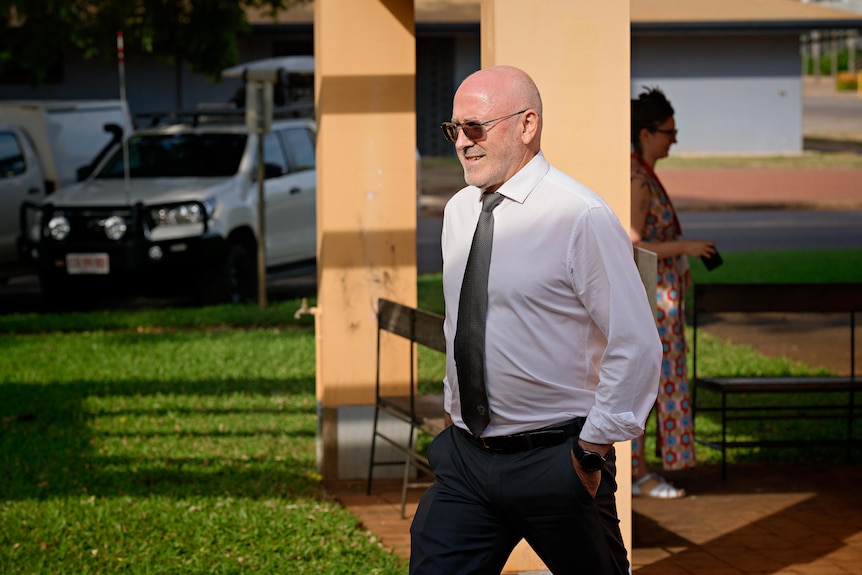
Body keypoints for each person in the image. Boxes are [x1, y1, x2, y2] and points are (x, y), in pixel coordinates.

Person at [409, 66, 662, 574]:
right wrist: (453, 411)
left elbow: (635, 343)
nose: (462, 142)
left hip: (556, 459)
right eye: (453, 129)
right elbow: (463, 324)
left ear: (527, 126)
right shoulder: (459, 211)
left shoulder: (579, 215)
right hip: (466, 460)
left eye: (475, 127)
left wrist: (590, 452)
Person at [629, 87, 717, 499]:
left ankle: (641, 471)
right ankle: (637, 472)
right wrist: (686, 249)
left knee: (656, 383)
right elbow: (633, 240)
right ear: (646, 134)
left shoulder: (643, 176)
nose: (674, 139)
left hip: (661, 298)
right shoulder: (638, 181)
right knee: (650, 383)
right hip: (653, 302)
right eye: (669, 131)